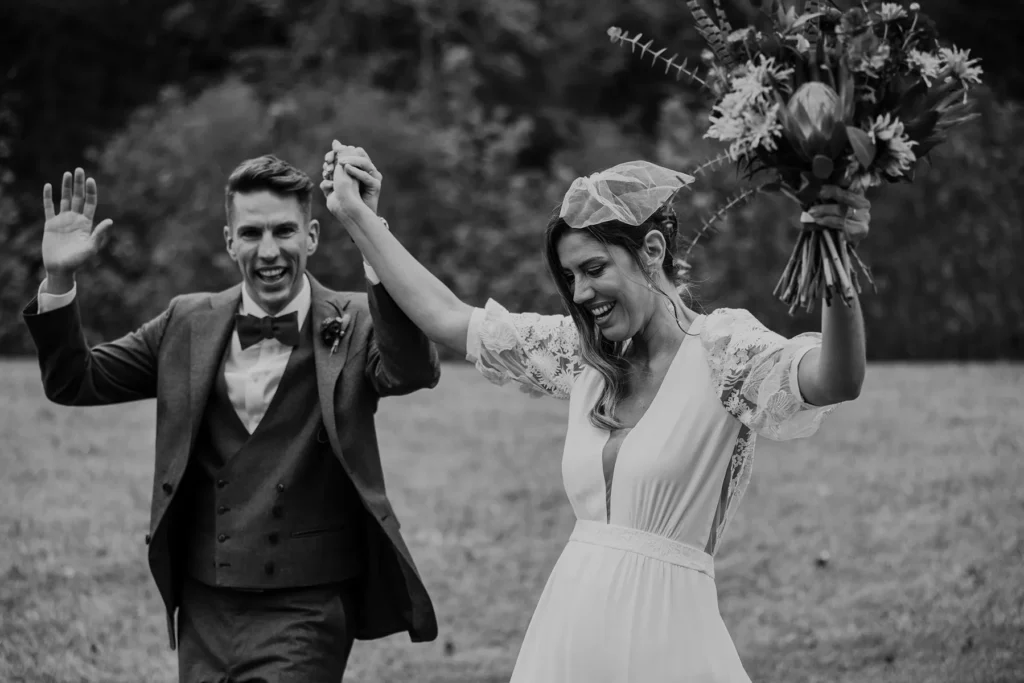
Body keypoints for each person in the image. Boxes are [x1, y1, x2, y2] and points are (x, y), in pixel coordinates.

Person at [321, 146, 869, 681]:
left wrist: (835, 253)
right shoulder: (582, 358)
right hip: (569, 630)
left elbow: (836, 378)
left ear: (652, 250)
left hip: (669, 634)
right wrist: (357, 215)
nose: (580, 293)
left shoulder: (725, 352)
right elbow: (447, 317)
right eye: (570, 277)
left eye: (594, 269)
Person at [22, 155, 442, 683]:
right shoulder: (185, 320)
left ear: (312, 236)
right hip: (203, 606)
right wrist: (59, 278)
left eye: (284, 231)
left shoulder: (354, 319)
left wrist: (370, 236)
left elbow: (410, 371)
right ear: (229, 241)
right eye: (252, 233)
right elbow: (74, 381)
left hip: (307, 608)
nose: (269, 250)